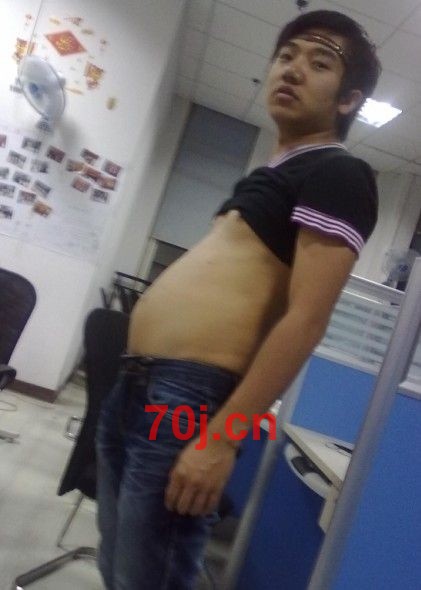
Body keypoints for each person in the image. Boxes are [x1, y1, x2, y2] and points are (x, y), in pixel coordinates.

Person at [95, 9, 381, 590]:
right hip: (139, 384)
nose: (292, 69)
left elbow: (306, 319)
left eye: (319, 62)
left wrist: (223, 436)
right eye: (286, 56)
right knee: (119, 568)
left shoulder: (339, 172)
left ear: (349, 100)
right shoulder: (270, 176)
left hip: (188, 398)